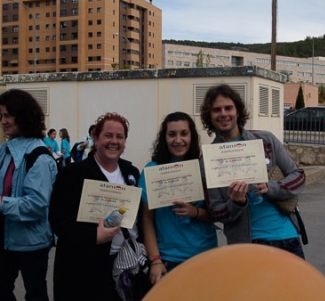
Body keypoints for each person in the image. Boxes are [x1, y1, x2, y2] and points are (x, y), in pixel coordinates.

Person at [199, 84, 307, 258]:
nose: (223, 114)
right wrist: (236, 202)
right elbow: (216, 212)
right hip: (247, 245)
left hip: (286, 237)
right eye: (216, 110)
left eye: (228, 108)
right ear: (209, 116)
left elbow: (299, 177)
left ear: (238, 111)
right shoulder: (208, 159)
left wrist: (271, 187)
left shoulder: (266, 140)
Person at [49, 112, 143, 301]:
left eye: (120, 137)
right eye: (108, 135)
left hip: (126, 263)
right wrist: (94, 236)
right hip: (84, 268)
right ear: (95, 137)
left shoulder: (131, 172)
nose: (114, 141)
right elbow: (58, 221)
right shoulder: (72, 174)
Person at [139, 111, 217, 284]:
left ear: (192, 136)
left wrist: (195, 212)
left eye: (184, 133)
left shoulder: (204, 168)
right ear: (164, 138)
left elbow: (217, 215)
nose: (178, 140)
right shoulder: (152, 171)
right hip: (168, 259)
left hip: (205, 255)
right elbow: (147, 219)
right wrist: (155, 260)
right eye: (172, 134)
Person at [0, 89, 58, 301]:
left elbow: (36, 205)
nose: (3, 121)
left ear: (23, 115)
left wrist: (1, 203)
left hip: (32, 243)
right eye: (1, 116)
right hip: (6, 239)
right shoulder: (6, 150)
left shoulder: (39, 157)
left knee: (35, 294)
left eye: (8, 115)